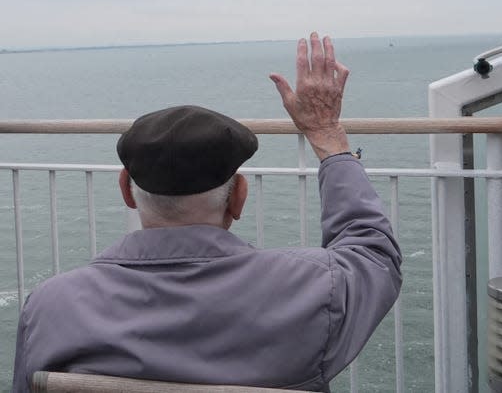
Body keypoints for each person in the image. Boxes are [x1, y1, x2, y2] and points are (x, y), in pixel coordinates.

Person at [12, 33, 402, 393]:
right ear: (238, 198)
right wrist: (328, 137)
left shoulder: (50, 307)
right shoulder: (317, 290)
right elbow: (374, 254)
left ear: (126, 190)